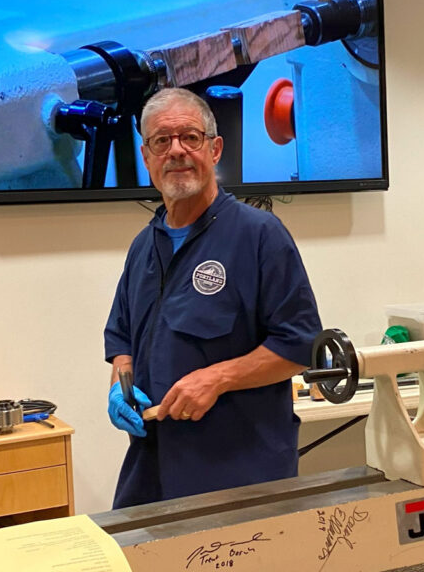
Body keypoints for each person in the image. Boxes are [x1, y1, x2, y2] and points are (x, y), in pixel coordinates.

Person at [103, 88, 322, 509]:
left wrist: (217, 378)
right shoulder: (142, 248)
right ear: (146, 156)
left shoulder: (259, 235)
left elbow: (299, 347)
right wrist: (121, 386)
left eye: (190, 137)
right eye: (161, 141)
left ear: (215, 148)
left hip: (238, 474)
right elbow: (122, 343)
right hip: (152, 471)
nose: (177, 151)